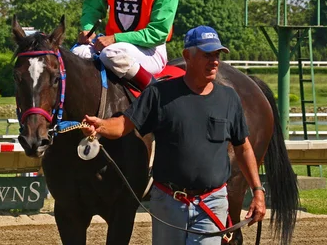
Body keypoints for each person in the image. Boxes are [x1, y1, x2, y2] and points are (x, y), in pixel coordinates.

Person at [81, 26, 266, 244]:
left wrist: (257, 190)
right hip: (169, 203)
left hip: (212, 203)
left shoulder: (229, 98)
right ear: (188, 56)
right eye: (207, 55)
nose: (214, 61)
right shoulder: (159, 94)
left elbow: (243, 147)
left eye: (217, 55)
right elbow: (122, 126)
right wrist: (100, 126)